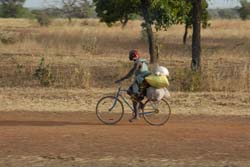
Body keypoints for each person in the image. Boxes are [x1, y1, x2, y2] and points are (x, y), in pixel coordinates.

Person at [115, 49, 150, 122]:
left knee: (134, 98)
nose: (130, 57)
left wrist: (122, 79)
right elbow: (132, 72)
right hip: (142, 82)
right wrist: (123, 78)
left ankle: (137, 116)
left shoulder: (138, 63)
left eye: (130, 55)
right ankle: (141, 105)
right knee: (129, 91)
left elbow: (131, 73)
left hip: (143, 83)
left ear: (133, 56)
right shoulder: (140, 61)